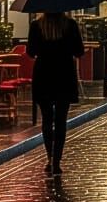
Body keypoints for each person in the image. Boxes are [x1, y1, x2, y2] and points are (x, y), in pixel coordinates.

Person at [27, 10, 85, 175]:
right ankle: (56, 161)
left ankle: (49, 157)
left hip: (43, 74)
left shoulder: (36, 25)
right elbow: (79, 51)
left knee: (46, 119)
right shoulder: (70, 25)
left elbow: (31, 52)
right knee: (60, 120)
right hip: (64, 74)